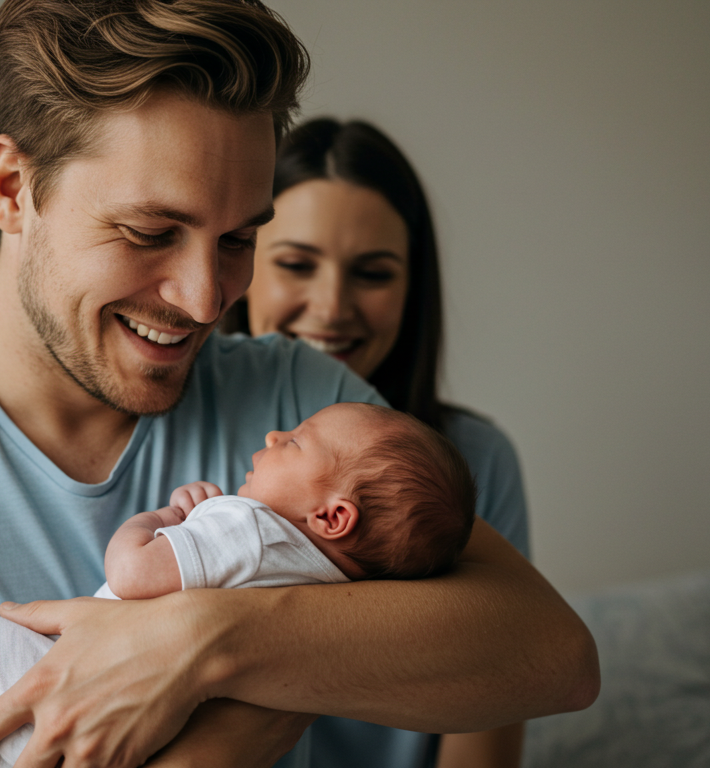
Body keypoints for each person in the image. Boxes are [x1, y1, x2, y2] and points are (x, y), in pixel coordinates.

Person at [0, 3, 598, 768]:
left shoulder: (301, 401)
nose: (205, 299)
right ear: (12, 187)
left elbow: (554, 658)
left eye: (239, 239)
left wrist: (201, 644)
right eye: (151, 232)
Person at [0, 402, 478, 768]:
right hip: (145, 744)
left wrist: (163, 520)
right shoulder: (335, 590)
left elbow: (131, 575)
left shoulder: (250, 530)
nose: (272, 437)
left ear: (333, 517)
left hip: (78, 711)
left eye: (293, 442)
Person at [224, 117, 531, 766]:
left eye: (372, 273)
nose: (332, 306)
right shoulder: (197, 434)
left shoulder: (475, 463)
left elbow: (494, 719)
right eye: (296, 265)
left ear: (412, 288)